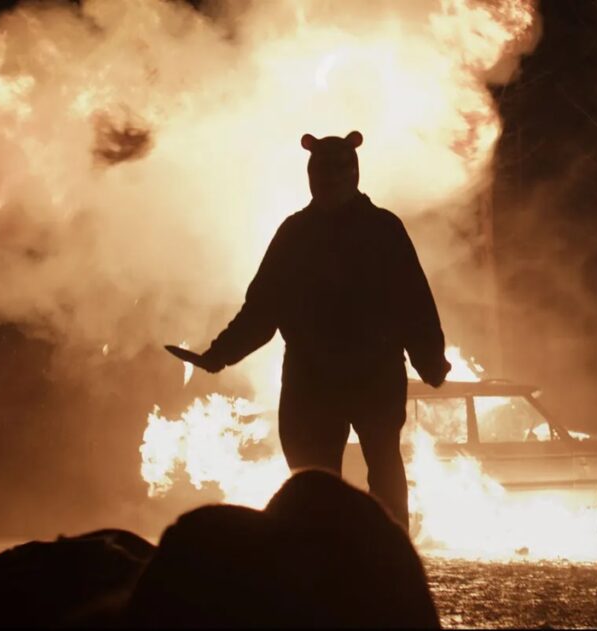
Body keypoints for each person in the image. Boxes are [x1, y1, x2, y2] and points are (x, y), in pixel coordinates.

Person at [168, 130, 450, 529]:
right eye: (322, 173)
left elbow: (413, 301)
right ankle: (329, 551)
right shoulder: (302, 233)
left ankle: (382, 551)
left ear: (352, 174)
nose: (329, 181)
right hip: (320, 380)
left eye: (336, 172)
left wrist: (430, 358)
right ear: (312, 177)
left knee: (378, 469)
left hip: (361, 376)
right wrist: (221, 354)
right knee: (317, 479)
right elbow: (262, 308)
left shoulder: (375, 230)